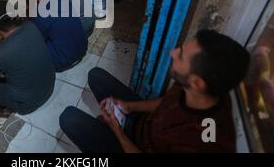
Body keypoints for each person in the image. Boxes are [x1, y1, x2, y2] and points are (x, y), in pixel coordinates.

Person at [59, 29, 250, 153]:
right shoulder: (201, 87)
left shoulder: (202, 143)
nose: (173, 53)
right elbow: (167, 102)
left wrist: (117, 131)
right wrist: (128, 106)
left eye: (180, 56)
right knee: (96, 75)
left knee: (68, 119)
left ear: (197, 82)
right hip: (146, 126)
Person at [28, 0, 88, 73]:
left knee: (31, 42)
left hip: (64, 62)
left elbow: (39, 38)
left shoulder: (40, 14)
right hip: (83, 49)